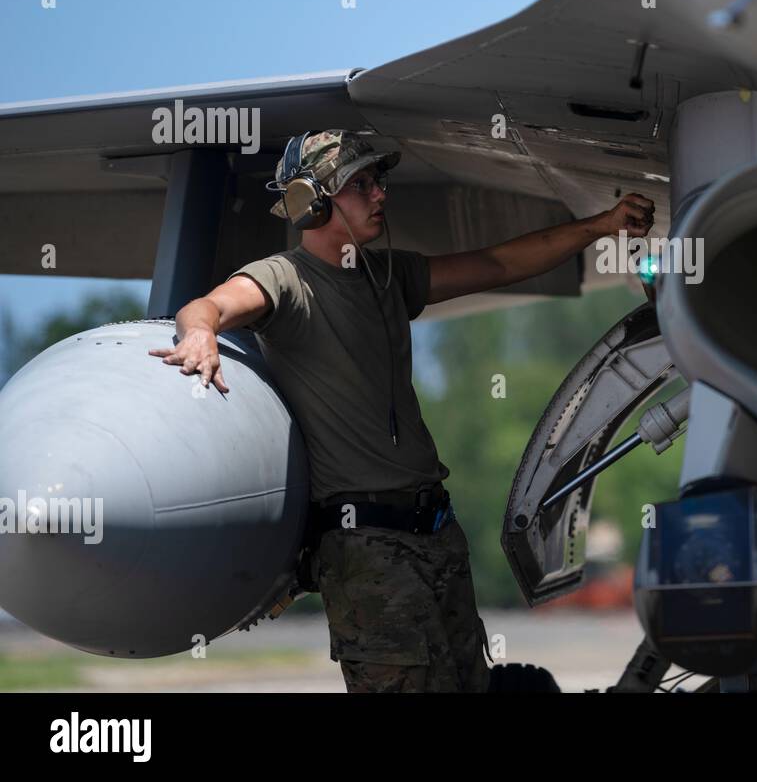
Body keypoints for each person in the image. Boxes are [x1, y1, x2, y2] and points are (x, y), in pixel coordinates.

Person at [148, 129, 654, 692]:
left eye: (378, 181)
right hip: (369, 552)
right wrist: (199, 335)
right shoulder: (285, 279)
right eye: (360, 184)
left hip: (435, 532)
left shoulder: (388, 276)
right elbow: (209, 304)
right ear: (309, 201)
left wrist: (599, 226)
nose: (380, 194)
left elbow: (500, 262)